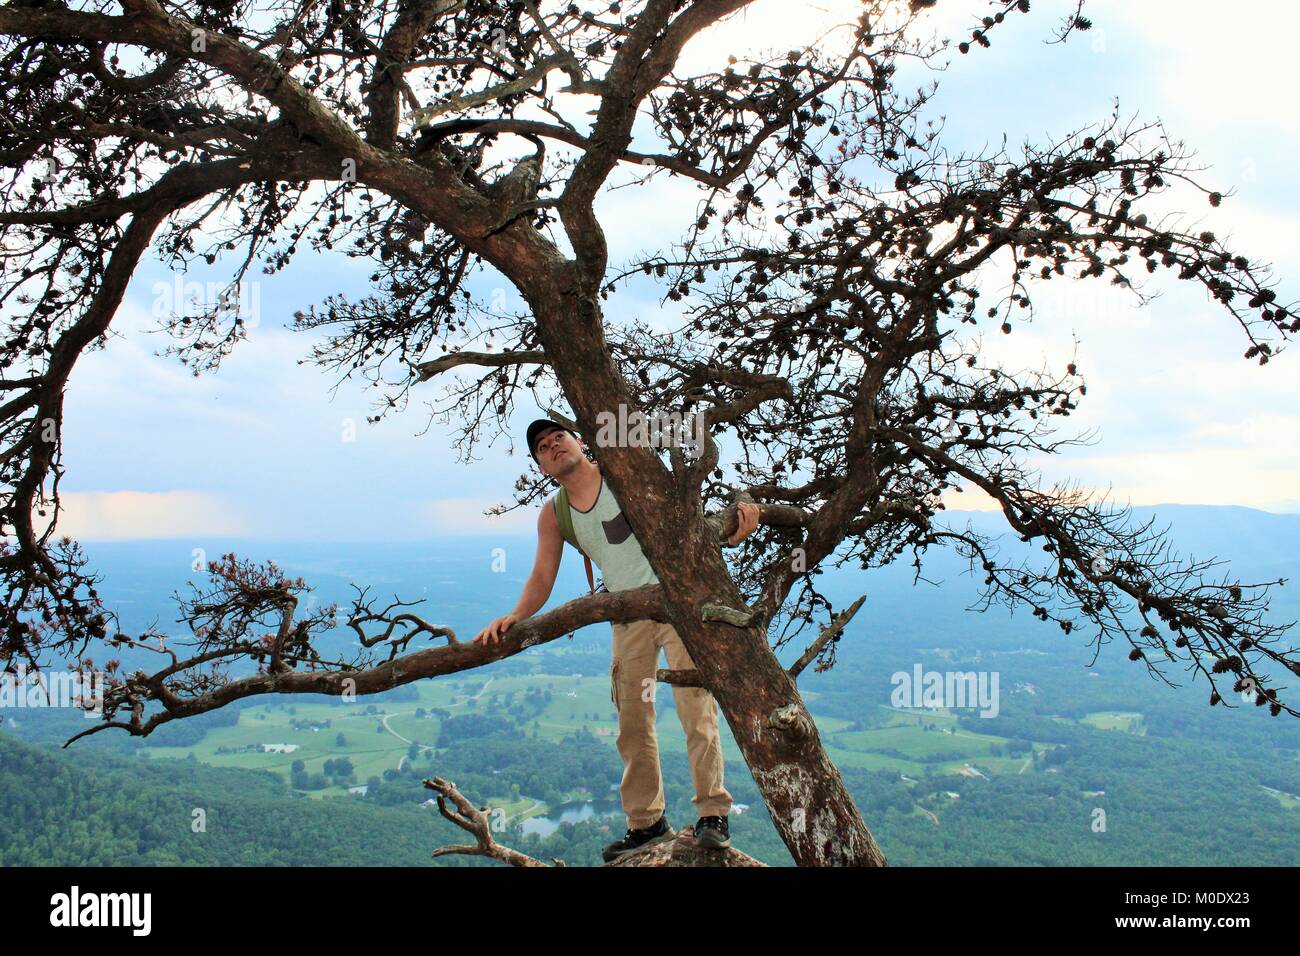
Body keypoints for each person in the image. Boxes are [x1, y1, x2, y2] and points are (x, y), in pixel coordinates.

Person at [474, 418, 760, 862]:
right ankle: (646, 824)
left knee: (695, 711)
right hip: (626, 617)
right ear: (542, 466)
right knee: (632, 723)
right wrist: (514, 615)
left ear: (579, 441)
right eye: (543, 448)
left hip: (678, 605)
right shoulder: (555, 513)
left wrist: (738, 515)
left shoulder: (623, 469)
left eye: (558, 437)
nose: (553, 447)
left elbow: (685, 505)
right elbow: (542, 575)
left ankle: (712, 814)